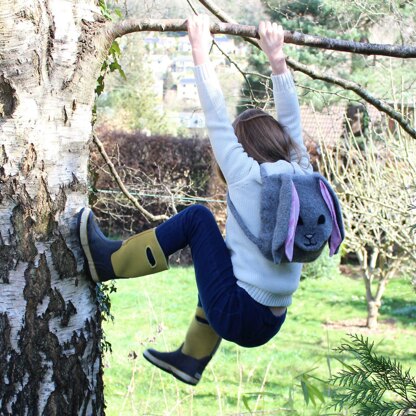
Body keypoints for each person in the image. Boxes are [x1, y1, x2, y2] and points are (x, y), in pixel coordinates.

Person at [77, 15, 313, 386]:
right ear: (280, 141)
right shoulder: (302, 172)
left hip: (238, 314)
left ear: (246, 147)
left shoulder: (247, 176)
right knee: (219, 254)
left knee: (199, 220)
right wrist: (277, 59)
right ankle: (190, 360)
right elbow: (292, 121)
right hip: (272, 322)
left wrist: (200, 52)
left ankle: (107, 264)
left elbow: (217, 118)